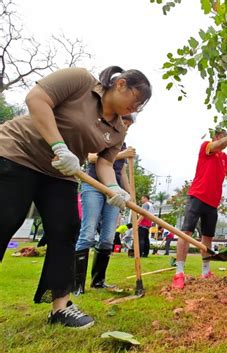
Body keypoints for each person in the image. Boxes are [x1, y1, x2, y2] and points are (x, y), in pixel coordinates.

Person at [0, 65, 151, 328]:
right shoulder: (81, 81)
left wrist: (114, 189)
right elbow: (37, 99)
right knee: (5, 220)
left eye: (140, 106)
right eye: (135, 100)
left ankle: (60, 307)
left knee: (66, 231)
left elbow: (105, 163)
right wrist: (59, 146)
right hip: (17, 153)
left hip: (60, 173)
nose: (135, 109)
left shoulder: (118, 130)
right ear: (121, 84)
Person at [172, 120, 227, 289]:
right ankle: (179, 273)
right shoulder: (207, 146)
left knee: (208, 237)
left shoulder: (224, 157)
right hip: (197, 197)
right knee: (186, 233)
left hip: (213, 202)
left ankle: (205, 271)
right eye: (224, 138)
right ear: (218, 136)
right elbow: (220, 144)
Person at [73, 114, 136, 295]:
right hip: (93, 185)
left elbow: (122, 172)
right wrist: (123, 154)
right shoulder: (102, 135)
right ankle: (77, 285)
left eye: (129, 125)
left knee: (108, 236)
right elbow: (92, 158)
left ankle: (98, 281)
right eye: (124, 123)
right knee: (88, 232)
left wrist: (130, 194)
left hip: (114, 192)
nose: (126, 127)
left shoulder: (121, 143)